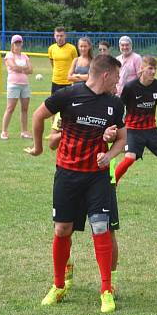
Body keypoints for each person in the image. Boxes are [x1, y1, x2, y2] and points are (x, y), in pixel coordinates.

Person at [25, 54, 126, 313]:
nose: (118, 80)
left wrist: (110, 155)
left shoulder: (114, 105)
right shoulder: (68, 95)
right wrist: (38, 148)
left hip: (96, 176)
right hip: (68, 175)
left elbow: (122, 137)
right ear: (105, 74)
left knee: (101, 227)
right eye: (116, 75)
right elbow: (38, 117)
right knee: (61, 230)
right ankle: (59, 286)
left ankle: (106, 290)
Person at [47, 114, 123, 296]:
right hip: (72, 176)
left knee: (106, 230)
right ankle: (66, 270)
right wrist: (72, 132)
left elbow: (120, 138)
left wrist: (108, 137)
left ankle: (110, 284)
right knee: (65, 229)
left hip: (103, 178)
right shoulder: (67, 107)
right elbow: (52, 142)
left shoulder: (109, 107)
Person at [115, 55, 157, 206]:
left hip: (151, 129)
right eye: (150, 68)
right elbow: (119, 108)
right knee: (130, 158)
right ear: (142, 69)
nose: (153, 71)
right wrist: (118, 129)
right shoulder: (130, 87)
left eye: (155, 68)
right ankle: (112, 186)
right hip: (132, 129)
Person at [0, 34, 33, 140]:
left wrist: (21, 68)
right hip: (13, 85)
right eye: (16, 43)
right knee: (10, 108)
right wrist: (24, 68)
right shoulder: (9, 55)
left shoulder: (24, 56)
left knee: (25, 109)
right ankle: (4, 131)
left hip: (25, 85)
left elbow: (31, 70)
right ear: (12, 44)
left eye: (19, 43)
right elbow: (13, 67)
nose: (18, 45)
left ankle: (24, 131)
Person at [47, 26, 78, 95]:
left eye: (61, 36)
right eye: (57, 36)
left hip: (68, 82)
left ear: (65, 36)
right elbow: (52, 63)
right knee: (54, 104)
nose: (59, 38)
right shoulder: (51, 48)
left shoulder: (72, 48)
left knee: (66, 105)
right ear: (54, 36)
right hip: (55, 81)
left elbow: (76, 64)